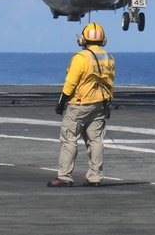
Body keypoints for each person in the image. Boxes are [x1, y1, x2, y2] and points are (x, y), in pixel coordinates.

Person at [48, 22, 116, 188]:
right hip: (100, 104)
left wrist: (61, 102)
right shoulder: (108, 57)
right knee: (96, 140)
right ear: (103, 40)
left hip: (80, 104)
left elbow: (71, 83)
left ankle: (64, 176)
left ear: (83, 40)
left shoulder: (81, 57)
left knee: (69, 139)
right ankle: (95, 177)